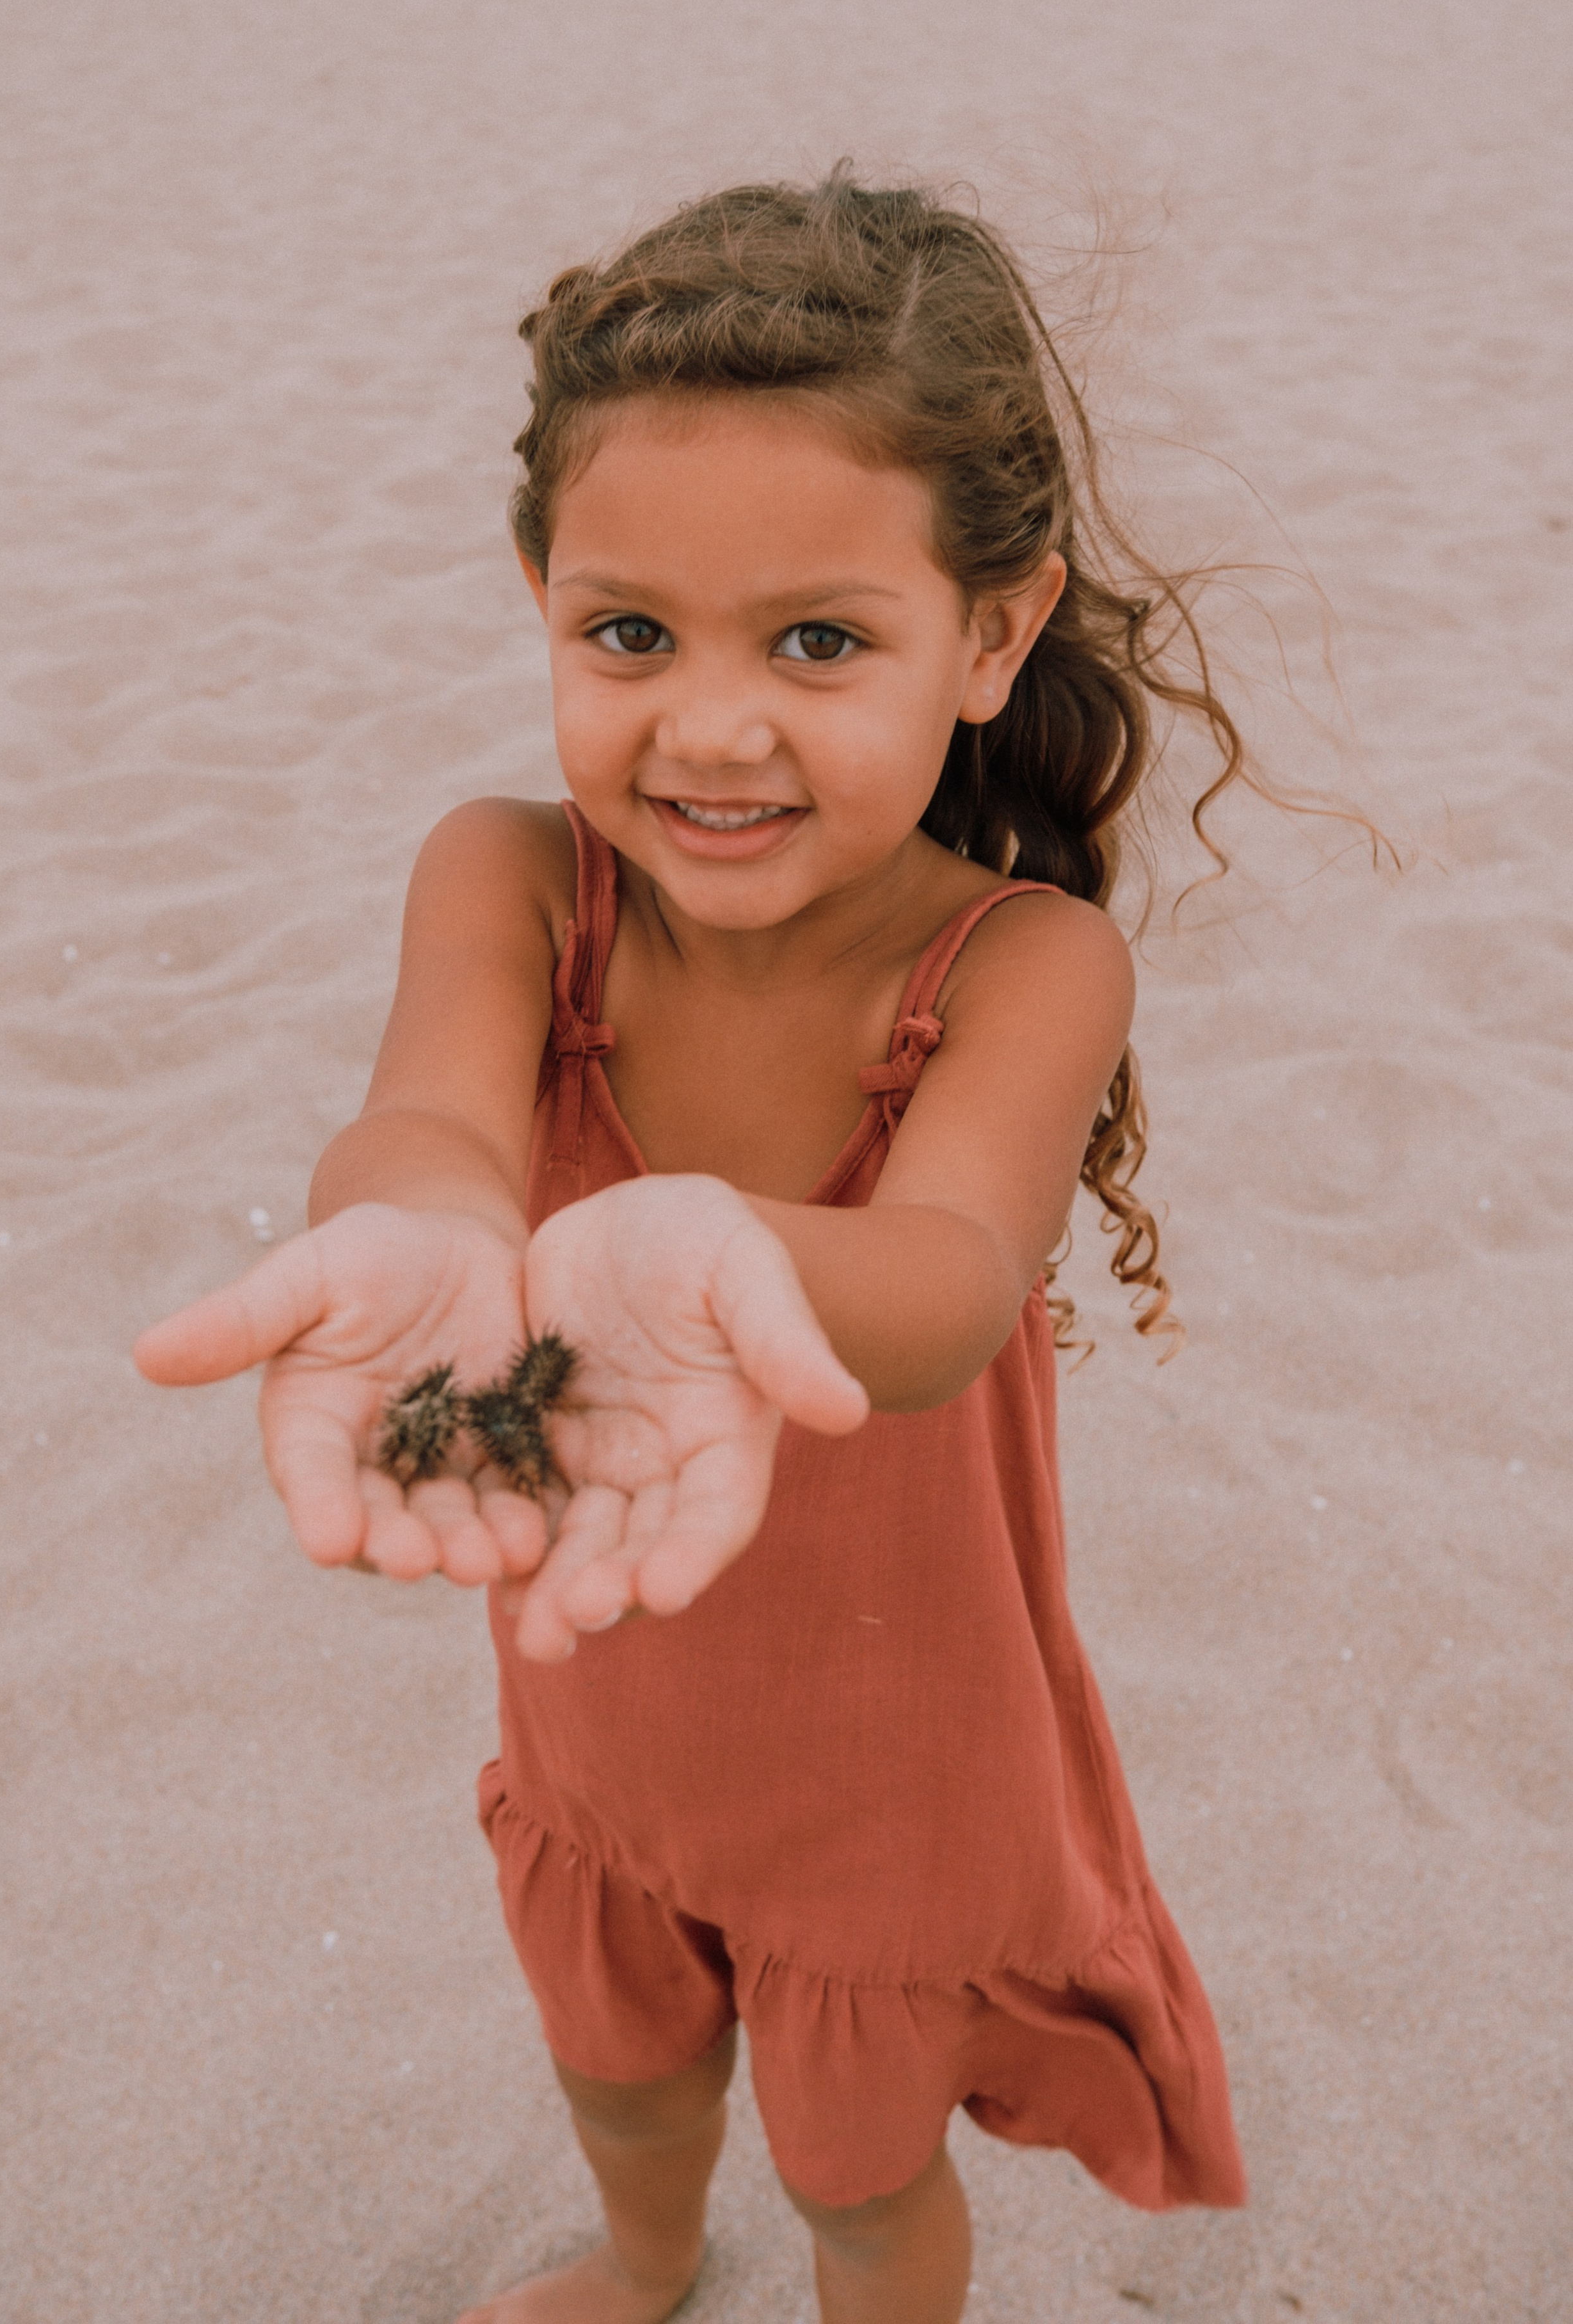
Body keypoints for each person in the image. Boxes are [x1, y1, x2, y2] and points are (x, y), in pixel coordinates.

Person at [136, 172, 1253, 2324]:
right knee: (622, 2061)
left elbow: (935, 1286)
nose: (713, 727)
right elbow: (431, 1124)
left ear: (992, 635)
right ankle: (646, 2259)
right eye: (629, 633)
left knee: (857, 2176)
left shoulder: (1023, 966)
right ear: (541, 591)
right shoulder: (510, 879)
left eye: (821, 642)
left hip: (896, 1755)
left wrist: (700, 1246)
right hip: (603, 1686)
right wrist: (439, 1230)